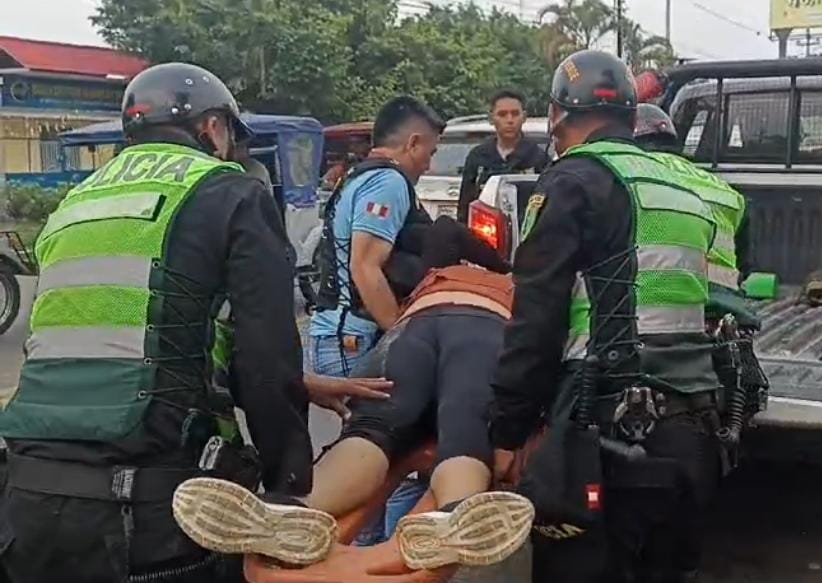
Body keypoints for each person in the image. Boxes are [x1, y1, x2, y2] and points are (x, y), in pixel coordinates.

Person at [0, 62, 386, 583]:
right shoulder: (231, 192)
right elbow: (265, 361)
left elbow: (124, 341)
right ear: (212, 129)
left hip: (26, 505)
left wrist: (304, 383)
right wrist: (288, 489)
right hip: (152, 518)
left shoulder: (77, 203)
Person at [488, 50, 731, 583]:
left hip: (602, 428)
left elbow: (536, 318)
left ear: (556, 116)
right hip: (693, 426)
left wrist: (508, 432)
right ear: (629, 113)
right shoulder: (681, 185)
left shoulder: (573, 179)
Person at [172, 263, 533, 571]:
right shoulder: (514, 287)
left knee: (370, 430)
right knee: (466, 428)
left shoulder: (432, 279)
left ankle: (292, 508)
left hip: (411, 331)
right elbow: (541, 349)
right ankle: (452, 515)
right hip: (488, 328)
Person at [309, 96, 445, 379]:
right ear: (413, 143)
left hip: (343, 336)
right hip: (357, 339)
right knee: (378, 422)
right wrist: (402, 339)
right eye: (430, 153)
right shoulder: (388, 182)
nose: (428, 166)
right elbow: (365, 267)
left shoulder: (360, 175)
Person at [633, 103, 759, 328]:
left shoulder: (629, 176)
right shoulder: (726, 191)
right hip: (726, 312)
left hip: (656, 314)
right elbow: (744, 265)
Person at [456, 90, 550, 222]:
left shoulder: (538, 157)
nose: (509, 120)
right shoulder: (477, 157)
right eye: (502, 114)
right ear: (491, 118)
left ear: (524, 117)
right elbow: (465, 205)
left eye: (515, 114)